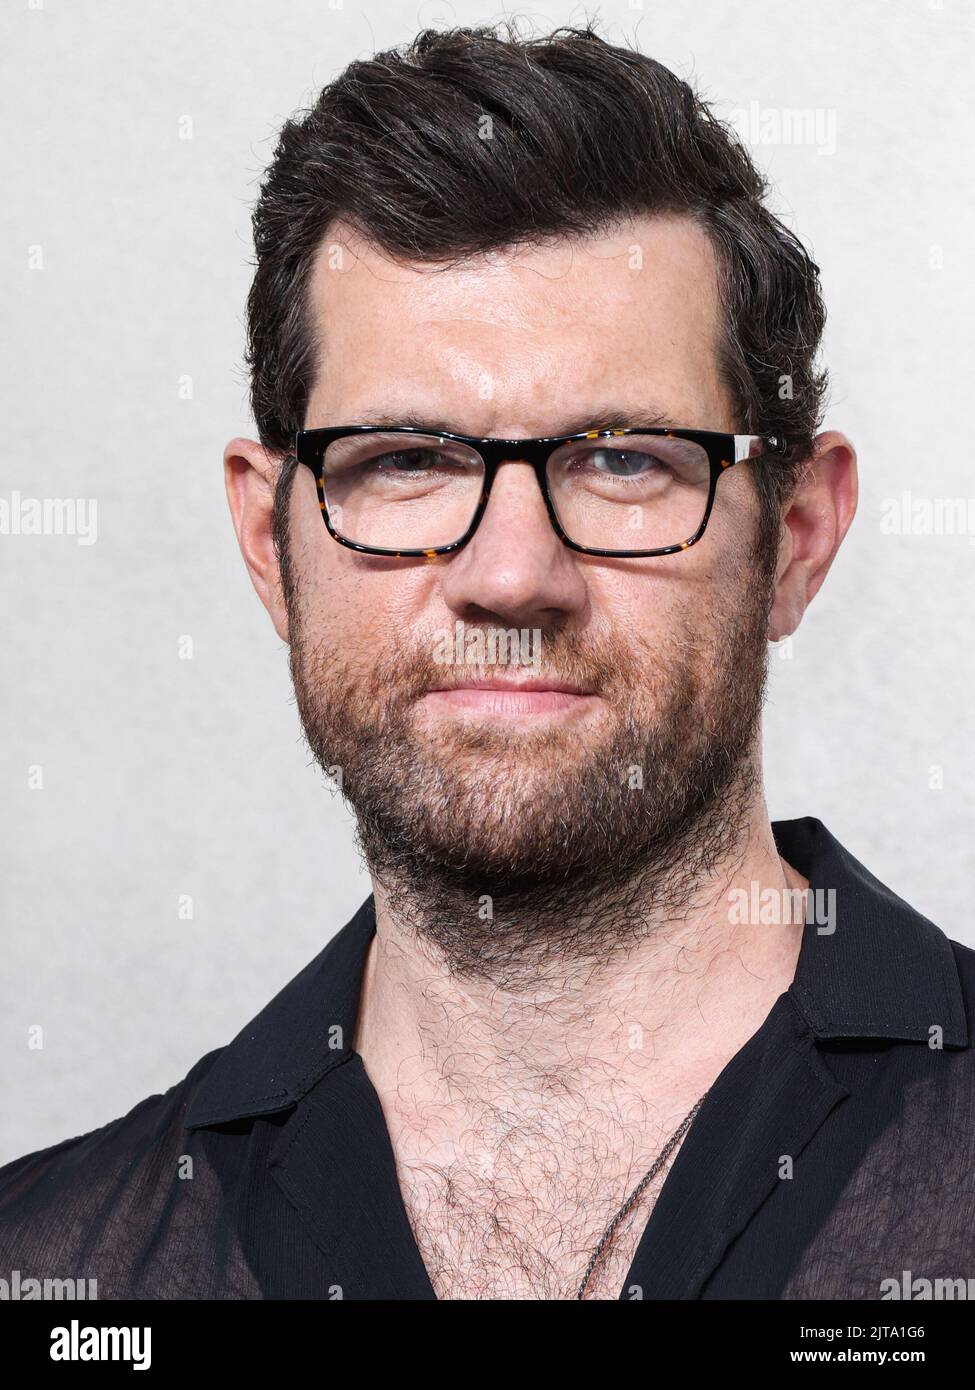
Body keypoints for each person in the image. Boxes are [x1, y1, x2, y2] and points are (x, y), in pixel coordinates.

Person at [2, 22, 973, 1302]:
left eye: (625, 458)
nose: (512, 573)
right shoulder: (59, 1272)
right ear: (266, 539)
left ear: (795, 537)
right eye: (404, 459)